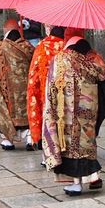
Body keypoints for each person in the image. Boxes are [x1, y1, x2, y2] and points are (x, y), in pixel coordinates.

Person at [41, 28, 105, 196]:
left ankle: (76, 183)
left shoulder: (59, 59)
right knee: (87, 143)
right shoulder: (93, 57)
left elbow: (50, 87)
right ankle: (92, 176)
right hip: (88, 110)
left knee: (70, 147)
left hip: (65, 111)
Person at [0, 18, 34, 150]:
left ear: (5, 30)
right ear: (19, 29)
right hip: (26, 89)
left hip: (7, 90)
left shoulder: (0, 47)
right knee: (27, 112)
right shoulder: (28, 46)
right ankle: (30, 138)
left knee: (8, 111)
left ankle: (8, 140)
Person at [27, 26, 66, 154]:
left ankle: (49, 153)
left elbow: (33, 76)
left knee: (49, 120)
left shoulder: (42, 46)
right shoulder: (69, 46)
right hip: (67, 94)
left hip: (47, 93)